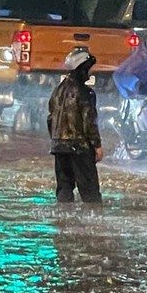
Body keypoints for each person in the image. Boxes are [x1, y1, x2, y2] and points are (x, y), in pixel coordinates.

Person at [48, 48, 103, 204]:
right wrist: (97, 145)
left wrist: (56, 140)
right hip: (79, 147)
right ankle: (93, 224)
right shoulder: (86, 93)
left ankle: (63, 222)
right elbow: (89, 122)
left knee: (64, 189)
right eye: (90, 68)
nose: (92, 72)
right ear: (83, 68)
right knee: (90, 192)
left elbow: (50, 118)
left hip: (58, 146)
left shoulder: (57, 91)